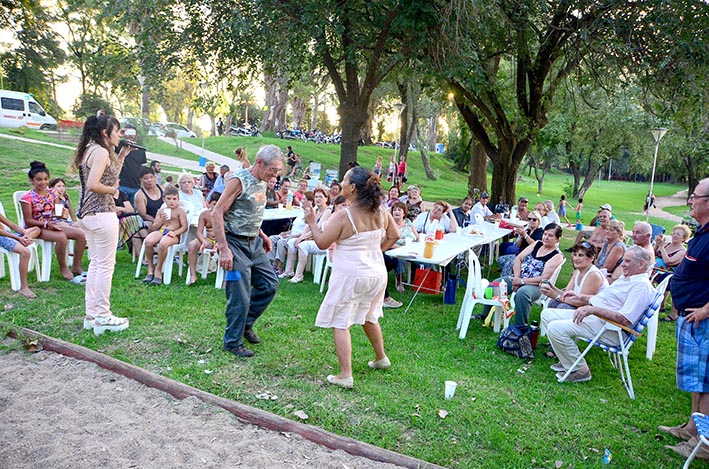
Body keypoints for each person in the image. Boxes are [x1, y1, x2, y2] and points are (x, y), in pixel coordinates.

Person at [303, 166, 399, 388]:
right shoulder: (381, 212)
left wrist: (311, 221)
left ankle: (345, 374)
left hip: (350, 274)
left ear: (353, 188)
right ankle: (380, 357)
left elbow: (322, 243)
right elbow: (394, 235)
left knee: (341, 320)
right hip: (376, 273)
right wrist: (375, 251)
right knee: (368, 315)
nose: (341, 183)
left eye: (345, 180)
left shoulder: (343, 215)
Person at [541, 247, 654, 383]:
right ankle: (568, 360)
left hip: (612, 329)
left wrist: (592, 310)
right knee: (547, 314)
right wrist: (580, 296)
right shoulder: (628, 279)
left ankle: (579, 370)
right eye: (623, 260)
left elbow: (624, 319)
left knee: (555, 328)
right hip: (599, 320)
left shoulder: (641, 286)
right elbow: (604, 299)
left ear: (641, 264)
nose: (622, 264)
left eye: (627, 261)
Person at [212, 144, 284, 358]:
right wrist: (224, 248)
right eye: (273, 170)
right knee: (239, 294)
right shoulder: (239, 180)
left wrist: (262, 236)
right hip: (234, 245)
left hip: (254, 244)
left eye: (278, 171)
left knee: (270, 284)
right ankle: (232, 341)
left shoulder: (262, 182)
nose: (275, 175)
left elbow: (248, 213)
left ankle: (246, 323)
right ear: (260, 162)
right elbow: (216, 213)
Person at [661, 179, 709, 459]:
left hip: (702, 319)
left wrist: (706, 309)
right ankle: (693, 428)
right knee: (695, 381)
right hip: (691, 318)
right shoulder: (702, 233)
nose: (691, 200)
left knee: (706, 382)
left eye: (695, 196)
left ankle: (703, 445)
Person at [73, 114, 132, 335]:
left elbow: (109, 174)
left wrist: (122, 156)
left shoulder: (91, 150)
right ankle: (103, 315)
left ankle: (92, 314)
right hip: (101, 213)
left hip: (88, 215)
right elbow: (94, 184)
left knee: (96, 264)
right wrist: (113, 191)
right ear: (105, 133)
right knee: (105, 266)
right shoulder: (99, 152)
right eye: (117, 131)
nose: (120, 135)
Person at [483, 224, 564, 327]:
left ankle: (520, 326)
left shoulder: (557, 256)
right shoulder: (537, 244)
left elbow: (544, 277)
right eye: (545, 234)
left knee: (522, 293)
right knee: (495, 284)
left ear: (558, 238)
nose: (546, 237)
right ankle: (485, 315)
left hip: (537, 286)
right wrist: (517, 278)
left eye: (550, 235)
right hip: (519, 277)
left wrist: (522, 282)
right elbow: (519, 258)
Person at [20, 161, 87, 281]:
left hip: (52, 224)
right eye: (39, 179)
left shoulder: (53, 193)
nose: (43, 182)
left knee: (80, 234)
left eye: (46, 179)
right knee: (61, 237)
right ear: (31, 180)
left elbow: (56, 213)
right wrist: (46, 223)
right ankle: (63, 267)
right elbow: (28, 221)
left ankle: (76, 266)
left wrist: (61, 214)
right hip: (37, 228)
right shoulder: (27, 198)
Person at [141, 186, 188, 286]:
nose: (172, 201)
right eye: (169, 199)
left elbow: (184, 227)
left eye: (174, 199)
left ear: (178, 199)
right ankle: (150, 267)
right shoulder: (161, 211)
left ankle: (158, 269)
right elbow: (154, 227)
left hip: (173, 233)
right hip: (162, 230)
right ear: (164, 199)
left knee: (163, 243)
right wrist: (161, 220)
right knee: (148, 241)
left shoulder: (180, 211)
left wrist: (175, 233)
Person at [540, 241, 607, 310]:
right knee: (553, 303)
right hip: (580, 307)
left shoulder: (593, 275)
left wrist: (556, 296)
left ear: (591, 258)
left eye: (580, 255)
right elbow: (566, 293)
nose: (576, 258)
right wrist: (552, 288)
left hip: (592, 312)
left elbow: (582, 302)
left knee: (563, 307)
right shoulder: (578, 271)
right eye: (575, 255)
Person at [288, 189, 332, 283]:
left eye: (321, 197)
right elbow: (308, 226)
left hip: (321, 241)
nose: (318, 199)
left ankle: (299, 275)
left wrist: (302, 238)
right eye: (316, 197)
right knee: (291, 242)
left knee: (303, 245)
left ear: (326, 199)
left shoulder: (328, 211)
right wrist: (301, 237)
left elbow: (318, 228)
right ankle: (289, 271)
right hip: (312, 238)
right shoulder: (315, 209)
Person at [0, 211, 40, 298]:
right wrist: (17, 237)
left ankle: (22, 241)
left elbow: (11, 225)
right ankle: (24, 287)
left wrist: (25, 234)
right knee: (25, 253)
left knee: (36, 229)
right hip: (1, 237)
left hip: (7, 234)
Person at [187, 192, 221, 286]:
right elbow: (199, 232)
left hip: (222, 240)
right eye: (214, 204)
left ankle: (223, 279)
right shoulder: (204, 214)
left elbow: (227, 232)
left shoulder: (225, 214)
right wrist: (203, 241)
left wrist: (219, 243)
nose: (216, 207)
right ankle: (193, 275)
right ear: (208, 203)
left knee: (223, 249)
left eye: (219, 204)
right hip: (209, 240)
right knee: (192, 244)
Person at [498, 210, 544, 277]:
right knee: (501, 260)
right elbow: (517, 246)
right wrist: (521, 237)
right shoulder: (527, 230)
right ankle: (514, 275)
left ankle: (504, 281)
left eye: (534, 219)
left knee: (509, 264)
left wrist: (525, 235)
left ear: (538, 221)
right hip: (520, 254)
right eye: (529, 219)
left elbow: (535, 245)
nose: (531, 221)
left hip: (529, 258)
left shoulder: (540, 232)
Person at [389, 201, 419, 292]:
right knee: (401, 259)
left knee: (423, 259)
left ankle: (423, 280)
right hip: (396, 248)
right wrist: (400, 248)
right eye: (394, 210)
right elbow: (387, 241)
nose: (397, 212)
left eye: (399, 210)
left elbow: (417, 237)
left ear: (404, 213)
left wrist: (417, 244)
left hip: (411, 248)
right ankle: (400, 282)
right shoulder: (389, 223)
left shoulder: (408, 222)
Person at [117, 126, 147, 204]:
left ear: (136, 135)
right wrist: (119, 134)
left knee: (133, 211)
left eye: (132, 133)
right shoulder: (118, 146)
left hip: (136, 186)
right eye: (128, 132)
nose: (130, 135)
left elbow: (143, 167)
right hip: (121, 184)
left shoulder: (140, 150)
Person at [134, 167, 164, 231]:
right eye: (146, 178)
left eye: (151, 177)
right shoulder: (140, 195)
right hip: (150, 221)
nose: (149, 180)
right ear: (141, 180)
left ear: (155, 177)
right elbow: (143, 215)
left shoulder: (162, 189)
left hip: (165, 217)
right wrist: (157, 222)